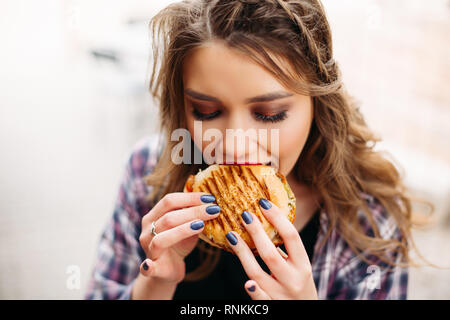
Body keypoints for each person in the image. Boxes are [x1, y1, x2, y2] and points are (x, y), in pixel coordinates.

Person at [85, 0, 417, 300]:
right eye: (206, 111)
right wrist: (154, 286)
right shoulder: (146, 174)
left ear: (318, 102)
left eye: (269, 114)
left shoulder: (369, 224)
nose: (234, 145)